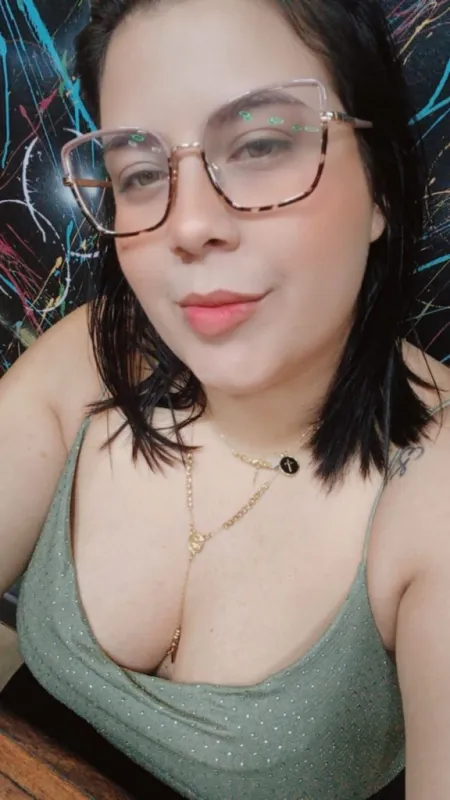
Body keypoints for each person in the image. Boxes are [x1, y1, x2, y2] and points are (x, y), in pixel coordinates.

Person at [1, 0, 450, 797]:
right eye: (142, 173)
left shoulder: (435, 492)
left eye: (261, 145)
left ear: (380, 186)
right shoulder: (91, 355)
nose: (189, 225)